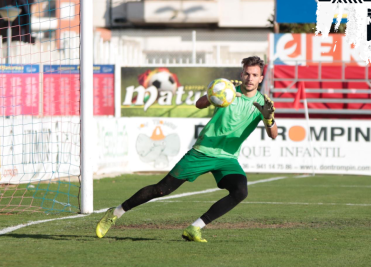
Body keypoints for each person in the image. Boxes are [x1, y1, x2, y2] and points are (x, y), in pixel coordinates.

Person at [96, 56, 278, 242]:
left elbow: (273, 134)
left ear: (260, 78)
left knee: (240, 191)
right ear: (242, 74)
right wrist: (214, 95)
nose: (250, 78)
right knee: (161, 189)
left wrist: (269, 119)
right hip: (202, 151)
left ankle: (195, 228)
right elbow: (198, 104)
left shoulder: (264, 103)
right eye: (247, 74)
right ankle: (115, 212)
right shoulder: (228, 91)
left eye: (254, 75)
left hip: (227, 158)